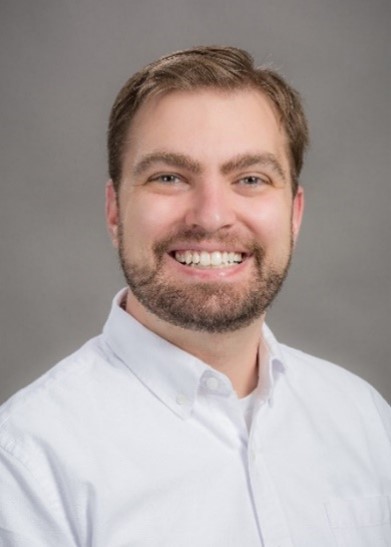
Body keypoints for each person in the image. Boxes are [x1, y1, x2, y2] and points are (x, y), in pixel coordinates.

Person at [0, 46, 390, 547]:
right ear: (115, 210)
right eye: (169, 177)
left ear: (293, 214)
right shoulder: (26, 465)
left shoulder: (365, 419)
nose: (210, 216)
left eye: (250, 179)